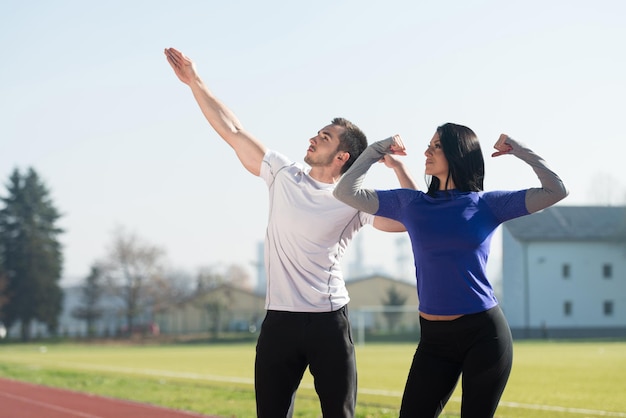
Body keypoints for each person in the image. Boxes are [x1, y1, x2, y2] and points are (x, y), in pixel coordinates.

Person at [164, 47, 417, 418]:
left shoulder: (354, 200)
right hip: (279, 321)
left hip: (329, 322)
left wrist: (395, 168)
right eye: (317, 133)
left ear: (343, 157)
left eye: (325, 137)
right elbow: (233, 130)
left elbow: (409, 218)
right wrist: (194, 81)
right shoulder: (283, 173)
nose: (313, 139)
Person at [333, 123, 568, 417]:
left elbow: (556, 190)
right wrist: (378, 149)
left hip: (484, 335)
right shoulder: (411, 203)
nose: (426, 152)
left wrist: (520, 151)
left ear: (458, 153)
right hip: (434, 340)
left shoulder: (488, 205)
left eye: (436, 146)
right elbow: (345, 191)